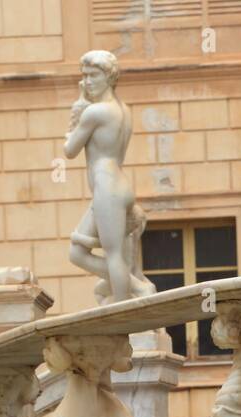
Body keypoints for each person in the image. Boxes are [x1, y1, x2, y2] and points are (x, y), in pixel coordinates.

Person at [65, 50, 153, 304]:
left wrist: (77, 112)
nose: (87, 82)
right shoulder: (123, 110)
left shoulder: (95, 113)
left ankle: (124, 314)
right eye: (84, 76)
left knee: (114, 255)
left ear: (109, 77)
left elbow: (69, 150)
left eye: (93, 75)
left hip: (107, 187)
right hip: (118, 185)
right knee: (77, 252)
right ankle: (138, 288)